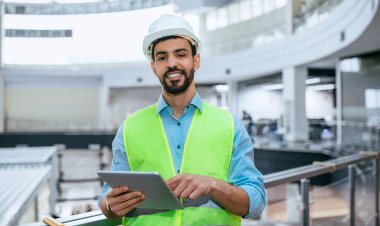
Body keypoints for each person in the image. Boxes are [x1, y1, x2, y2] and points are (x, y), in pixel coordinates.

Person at [98, 14, 266, 225]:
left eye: (180, 54)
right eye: (162, 57)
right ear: (153, 67)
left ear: (195, 61)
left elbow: (256, 202)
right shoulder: (130, 128)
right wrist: (110, 205)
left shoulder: (229, 125)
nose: (172, 63)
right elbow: (107, 201)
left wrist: (213, 185)